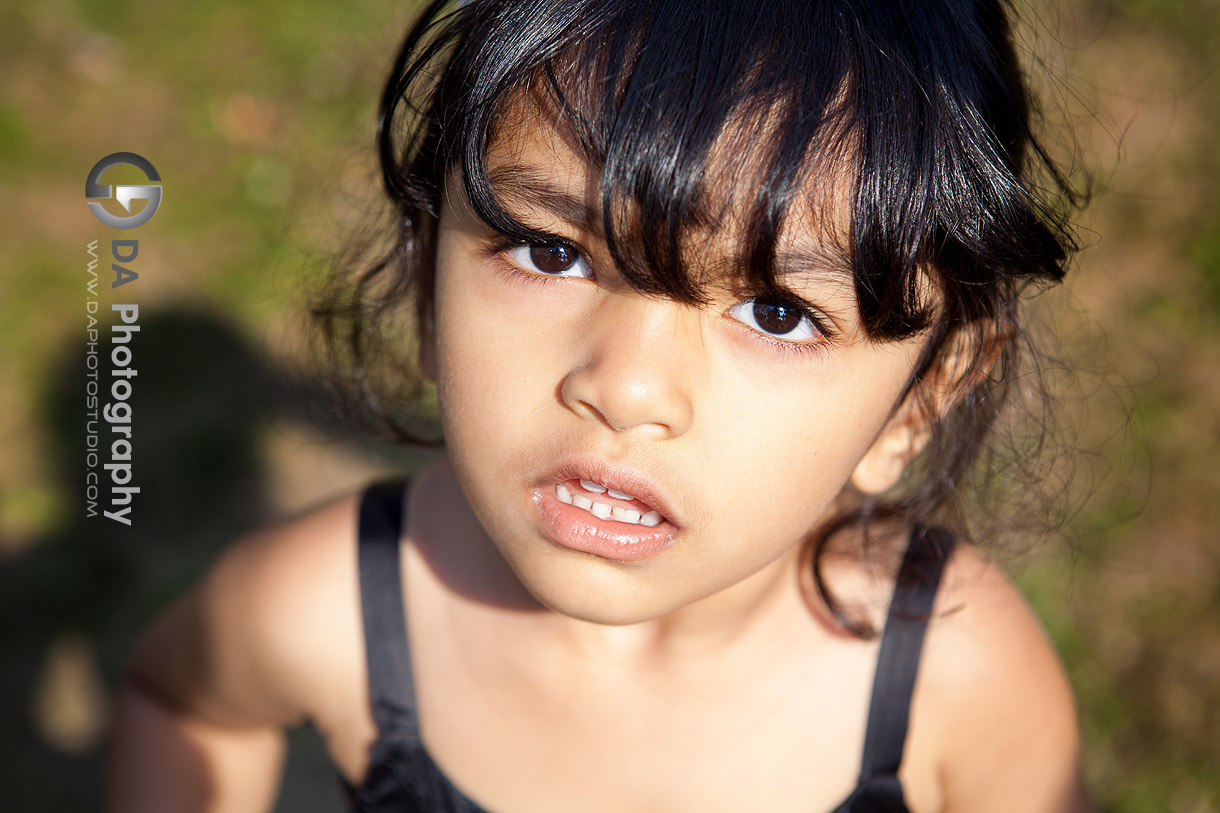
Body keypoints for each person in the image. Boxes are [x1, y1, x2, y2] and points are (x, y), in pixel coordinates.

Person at [107, 0, 1096, 810]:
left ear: (918, 402)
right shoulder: (325, 609)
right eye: (550, 251)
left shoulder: (954, 684)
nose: (622, 389)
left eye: (776, 311)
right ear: (425, 275)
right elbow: (185, 703)